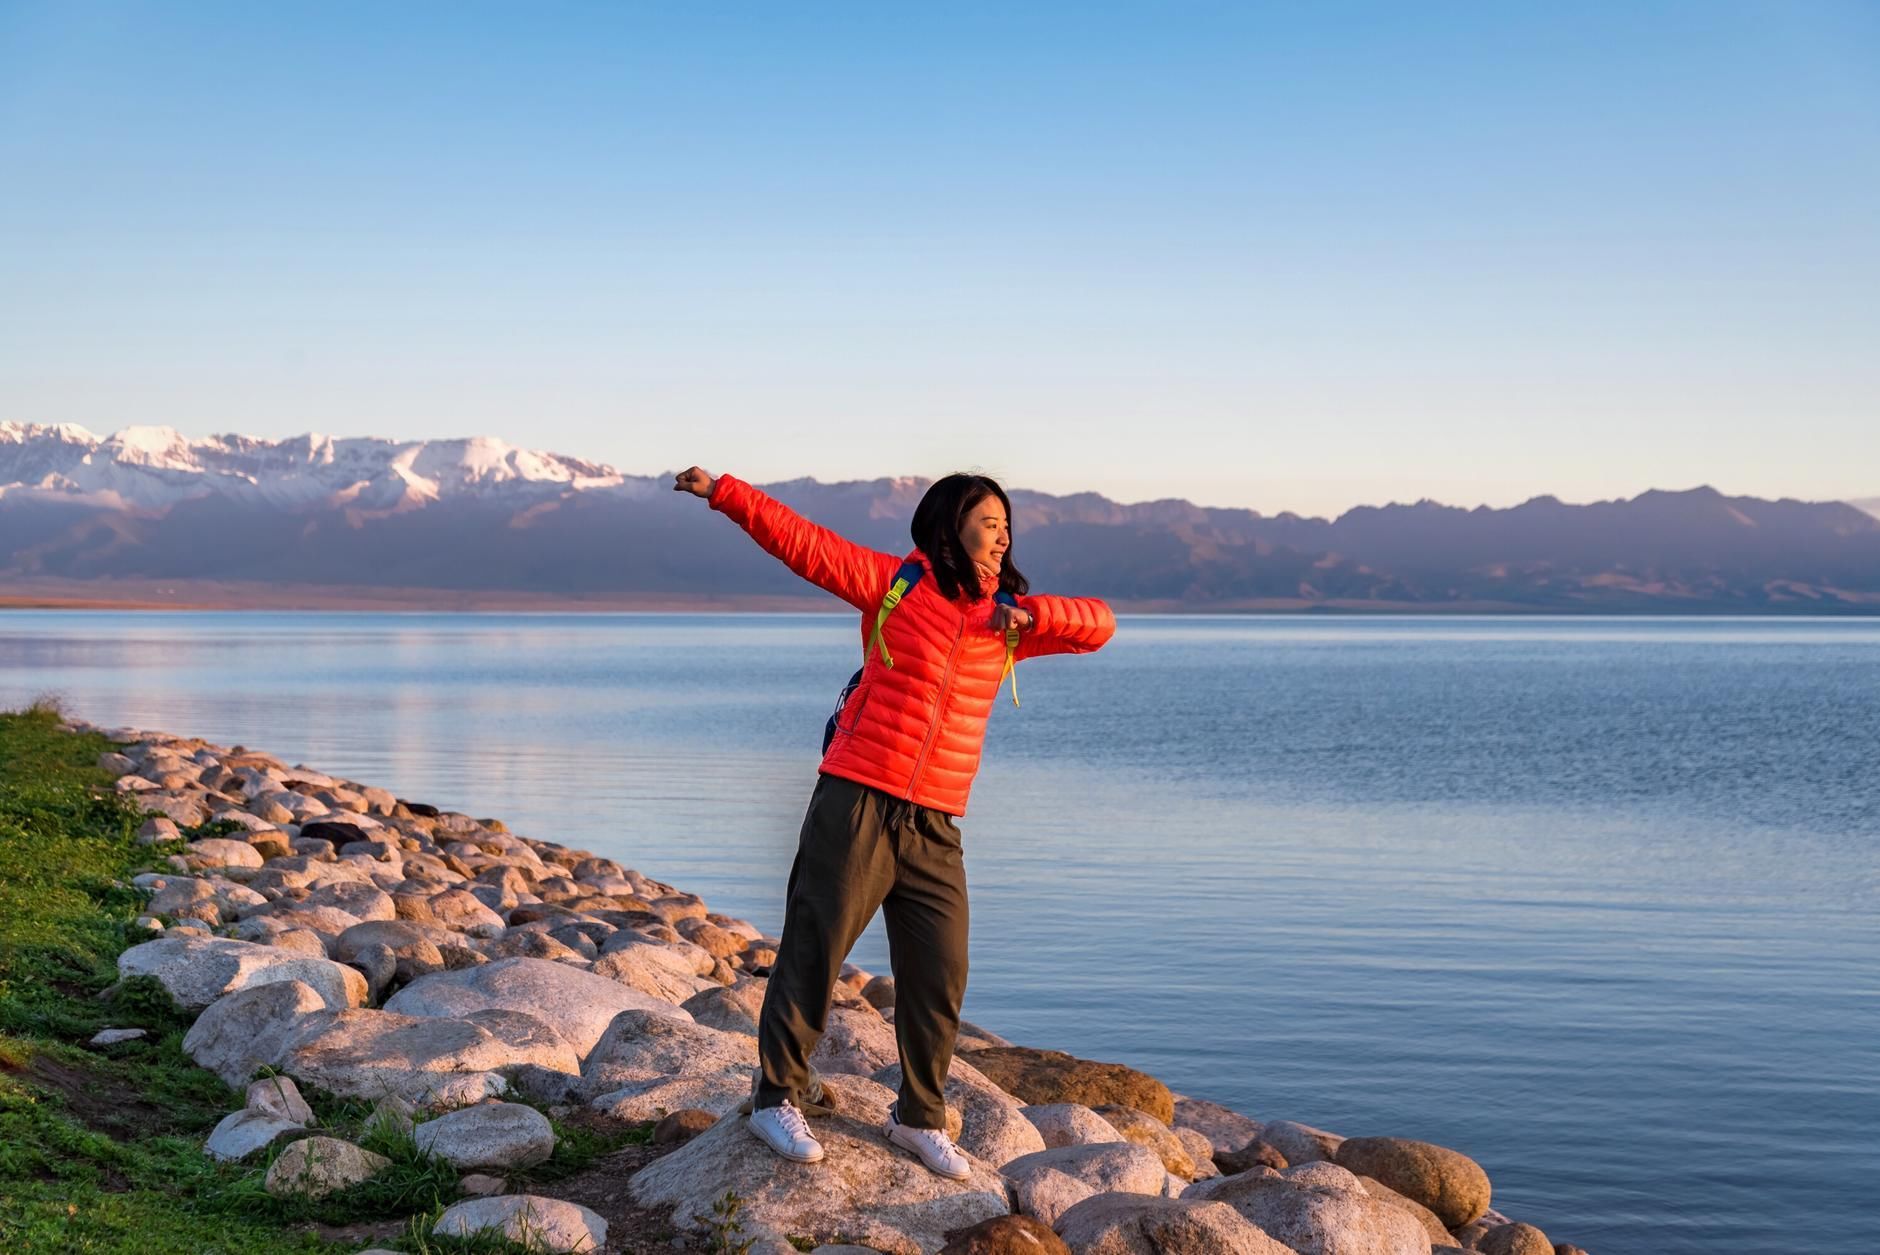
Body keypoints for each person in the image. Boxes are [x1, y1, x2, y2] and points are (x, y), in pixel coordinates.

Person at [672, 465, 1116, 1177]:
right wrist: (723, 490)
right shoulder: (893, 584)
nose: (1001, 538)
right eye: (987, 522)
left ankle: (917, 1116)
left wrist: (1035, 617)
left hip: (938, 820)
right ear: (948, 525)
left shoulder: (1004, 618)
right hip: (858, 797)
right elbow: (800, 541)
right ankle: (775, 1096)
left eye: (1007, 526)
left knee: (941, 970)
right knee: (816, 949)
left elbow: (1102, 623)